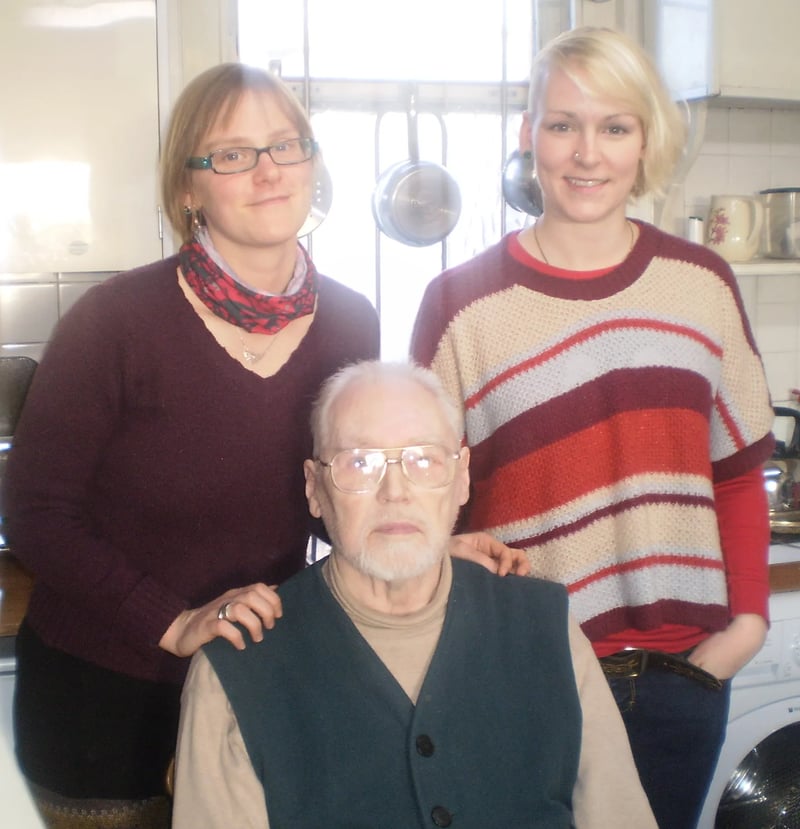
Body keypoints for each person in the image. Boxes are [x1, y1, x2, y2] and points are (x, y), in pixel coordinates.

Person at [4, 63, 525, 829]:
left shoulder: (350, 321)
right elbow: (37, 513)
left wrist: (427, 547)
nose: (268, 170)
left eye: (286, 145)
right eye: (232, 154)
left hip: (259, 675)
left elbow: (324, 501)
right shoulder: (113, 321)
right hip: (106, 696)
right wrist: (172, 620)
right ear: (188, 188)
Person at [410, 26, 775, 829]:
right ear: (526, 134)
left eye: (614, 126)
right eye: (563, 124)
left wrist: (743, 628)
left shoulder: (701, 285)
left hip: (684, 673)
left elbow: (739, 470)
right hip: (519, 672)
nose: (587, 153)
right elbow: (421, 498)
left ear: (646, 141)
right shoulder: (458, 305)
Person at [171, 359, 658, 828]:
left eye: (423, 459)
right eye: (359, 462)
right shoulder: (236, 668)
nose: (395, 491)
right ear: (315, 487)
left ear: (463, 477)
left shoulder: (547, 628)